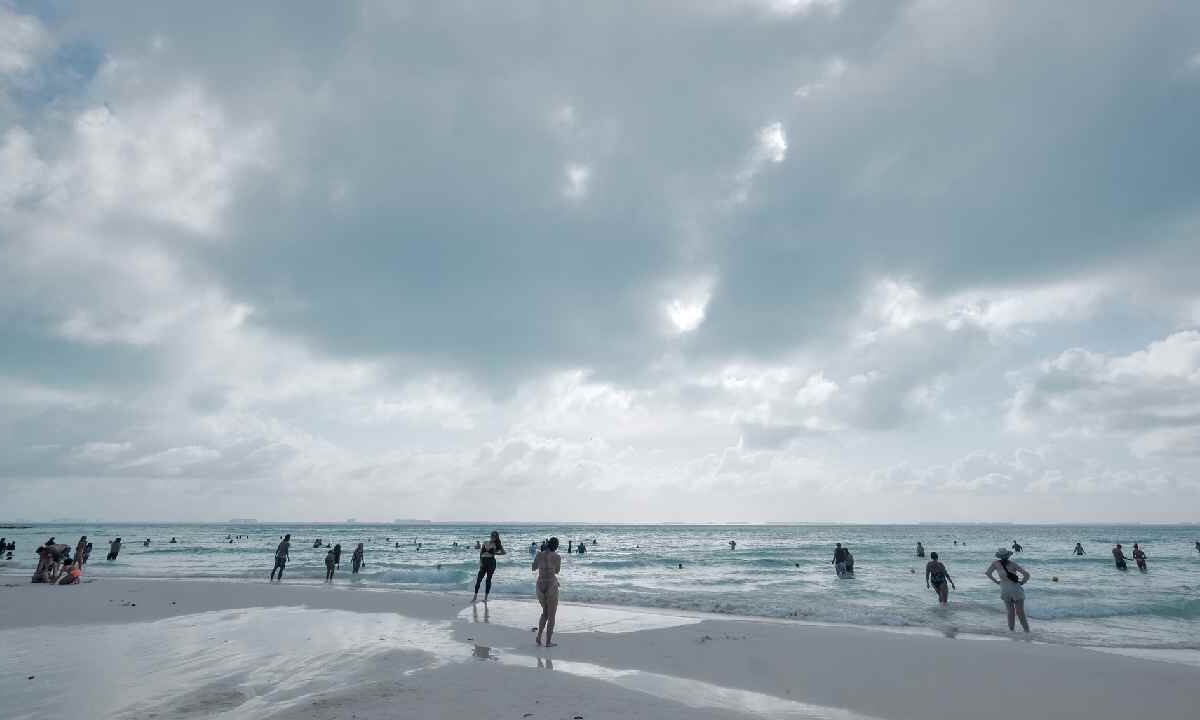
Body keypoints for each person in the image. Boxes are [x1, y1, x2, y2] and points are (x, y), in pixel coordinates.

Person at [986, 548, 1030, 632]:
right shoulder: (1012, 564)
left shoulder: (995, 563)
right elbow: (1027, 574)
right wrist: (1022, 582)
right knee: (1020, 613)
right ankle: (1027, 632)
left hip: (1005, 590)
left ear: (999, 556)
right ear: (1008, 556)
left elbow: (988, 573)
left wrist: (997, 582)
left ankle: (1011, 632)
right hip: (1016, 589)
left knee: (1010, 613)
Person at [532, 537, 562, 647]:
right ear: (556, 546)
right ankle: (548, 642)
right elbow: (557, 571)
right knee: (551, 615)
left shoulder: (539, 554)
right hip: (551, 585)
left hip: (540, 585)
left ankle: (539, 637)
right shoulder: (557, 557)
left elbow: (533, 567)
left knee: (545, 612)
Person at [472, 531, 506, 603]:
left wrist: (495, 553)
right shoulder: (485, 542)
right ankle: (475, 597)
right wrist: (481, 562)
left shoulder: (497, 545)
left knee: (488, 580)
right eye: (492, 535)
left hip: (491, 562)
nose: (493, 537)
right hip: (484, 562)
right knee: (479, 579)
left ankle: (485, 598)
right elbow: (481, 553)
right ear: (490, 536)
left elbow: (504, 552)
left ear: (496, 537)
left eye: (495, 536)